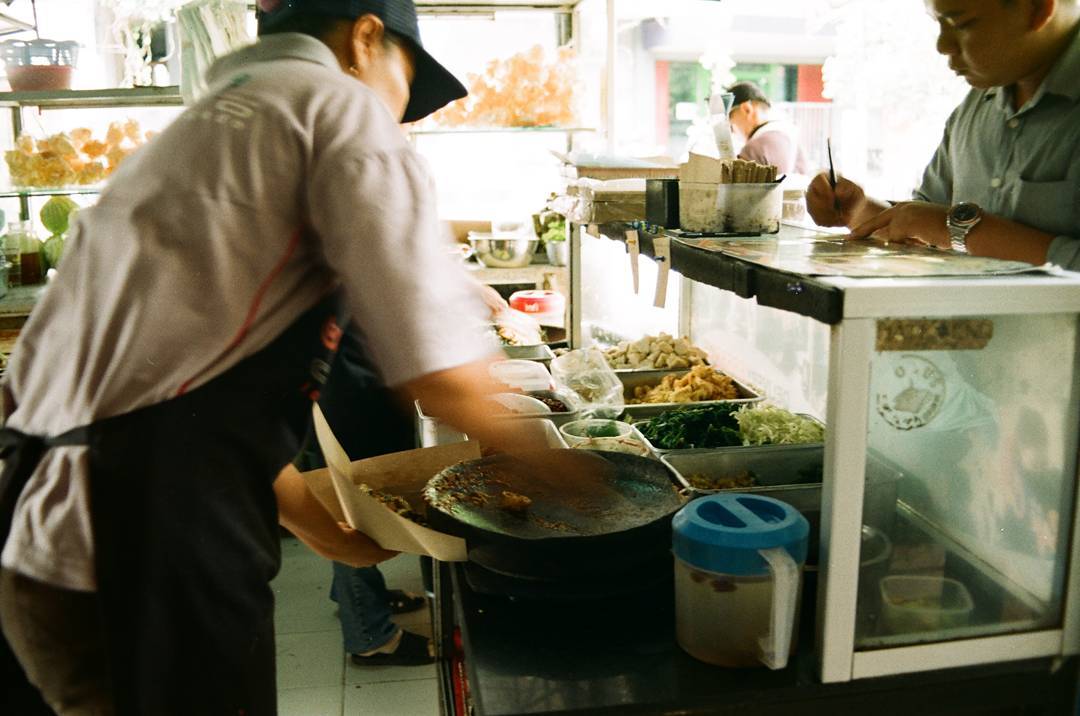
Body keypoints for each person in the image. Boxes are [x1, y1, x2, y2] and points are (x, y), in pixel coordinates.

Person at [0, 1, 546, 713]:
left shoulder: (199, 132)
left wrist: (323, 530)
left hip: (43, 553)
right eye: (406, 81)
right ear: (365, 37)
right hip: (152, 554)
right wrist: (574, 479)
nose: (403, 115)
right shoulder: (337, 109)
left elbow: (178, 401)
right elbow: (441, 375)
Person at [806, 0, 1080, 269]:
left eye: (961, 23)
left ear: (1037, 9)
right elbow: (929, 222)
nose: (942, 45)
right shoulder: (977, 104)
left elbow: (944, 226)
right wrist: (860, 211)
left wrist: (962, 230)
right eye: (939, 23)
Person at [726, 80, 812, 178]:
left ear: (746, 109)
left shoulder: (755, 148)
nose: (731, 130)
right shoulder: (788, 134)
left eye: (730, 119)